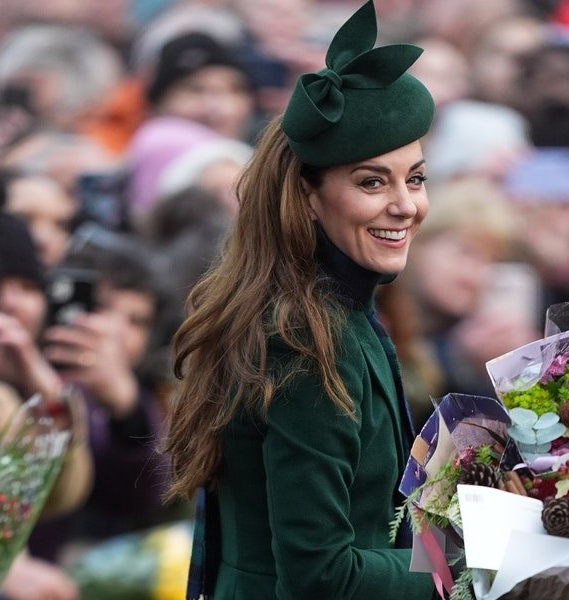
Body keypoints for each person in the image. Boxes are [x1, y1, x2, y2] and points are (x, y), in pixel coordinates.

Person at [163, 2, 437, 598]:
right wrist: (469, 570)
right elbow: (322, 577)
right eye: (372, 181)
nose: (406, 205)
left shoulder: (323, 311)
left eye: (414, 178)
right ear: (308, 197)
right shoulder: (307, 341)